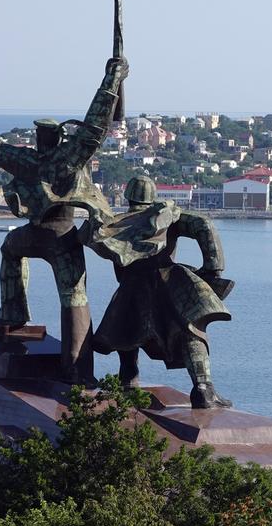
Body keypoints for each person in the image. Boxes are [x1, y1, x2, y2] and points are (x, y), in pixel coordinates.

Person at [0, 56, 127, 383]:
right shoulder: (69, 157)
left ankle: (14, 312)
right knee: (74, 297)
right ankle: (77, 369)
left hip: (36, 233)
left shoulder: (28, 159)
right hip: (62, 238)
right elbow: (95, 125)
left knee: (11, 249)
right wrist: (112, 78)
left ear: (40, 137)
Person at [88, 175, 234, 409]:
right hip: (169, 282)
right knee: (191, 332)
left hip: (132, 286)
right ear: (153, 196)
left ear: (127, 196)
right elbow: (204, 225)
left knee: (126, 332)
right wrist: (212, 268)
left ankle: (127, 381)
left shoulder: (116, 224)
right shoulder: (167, 216)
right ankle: (203, 388)